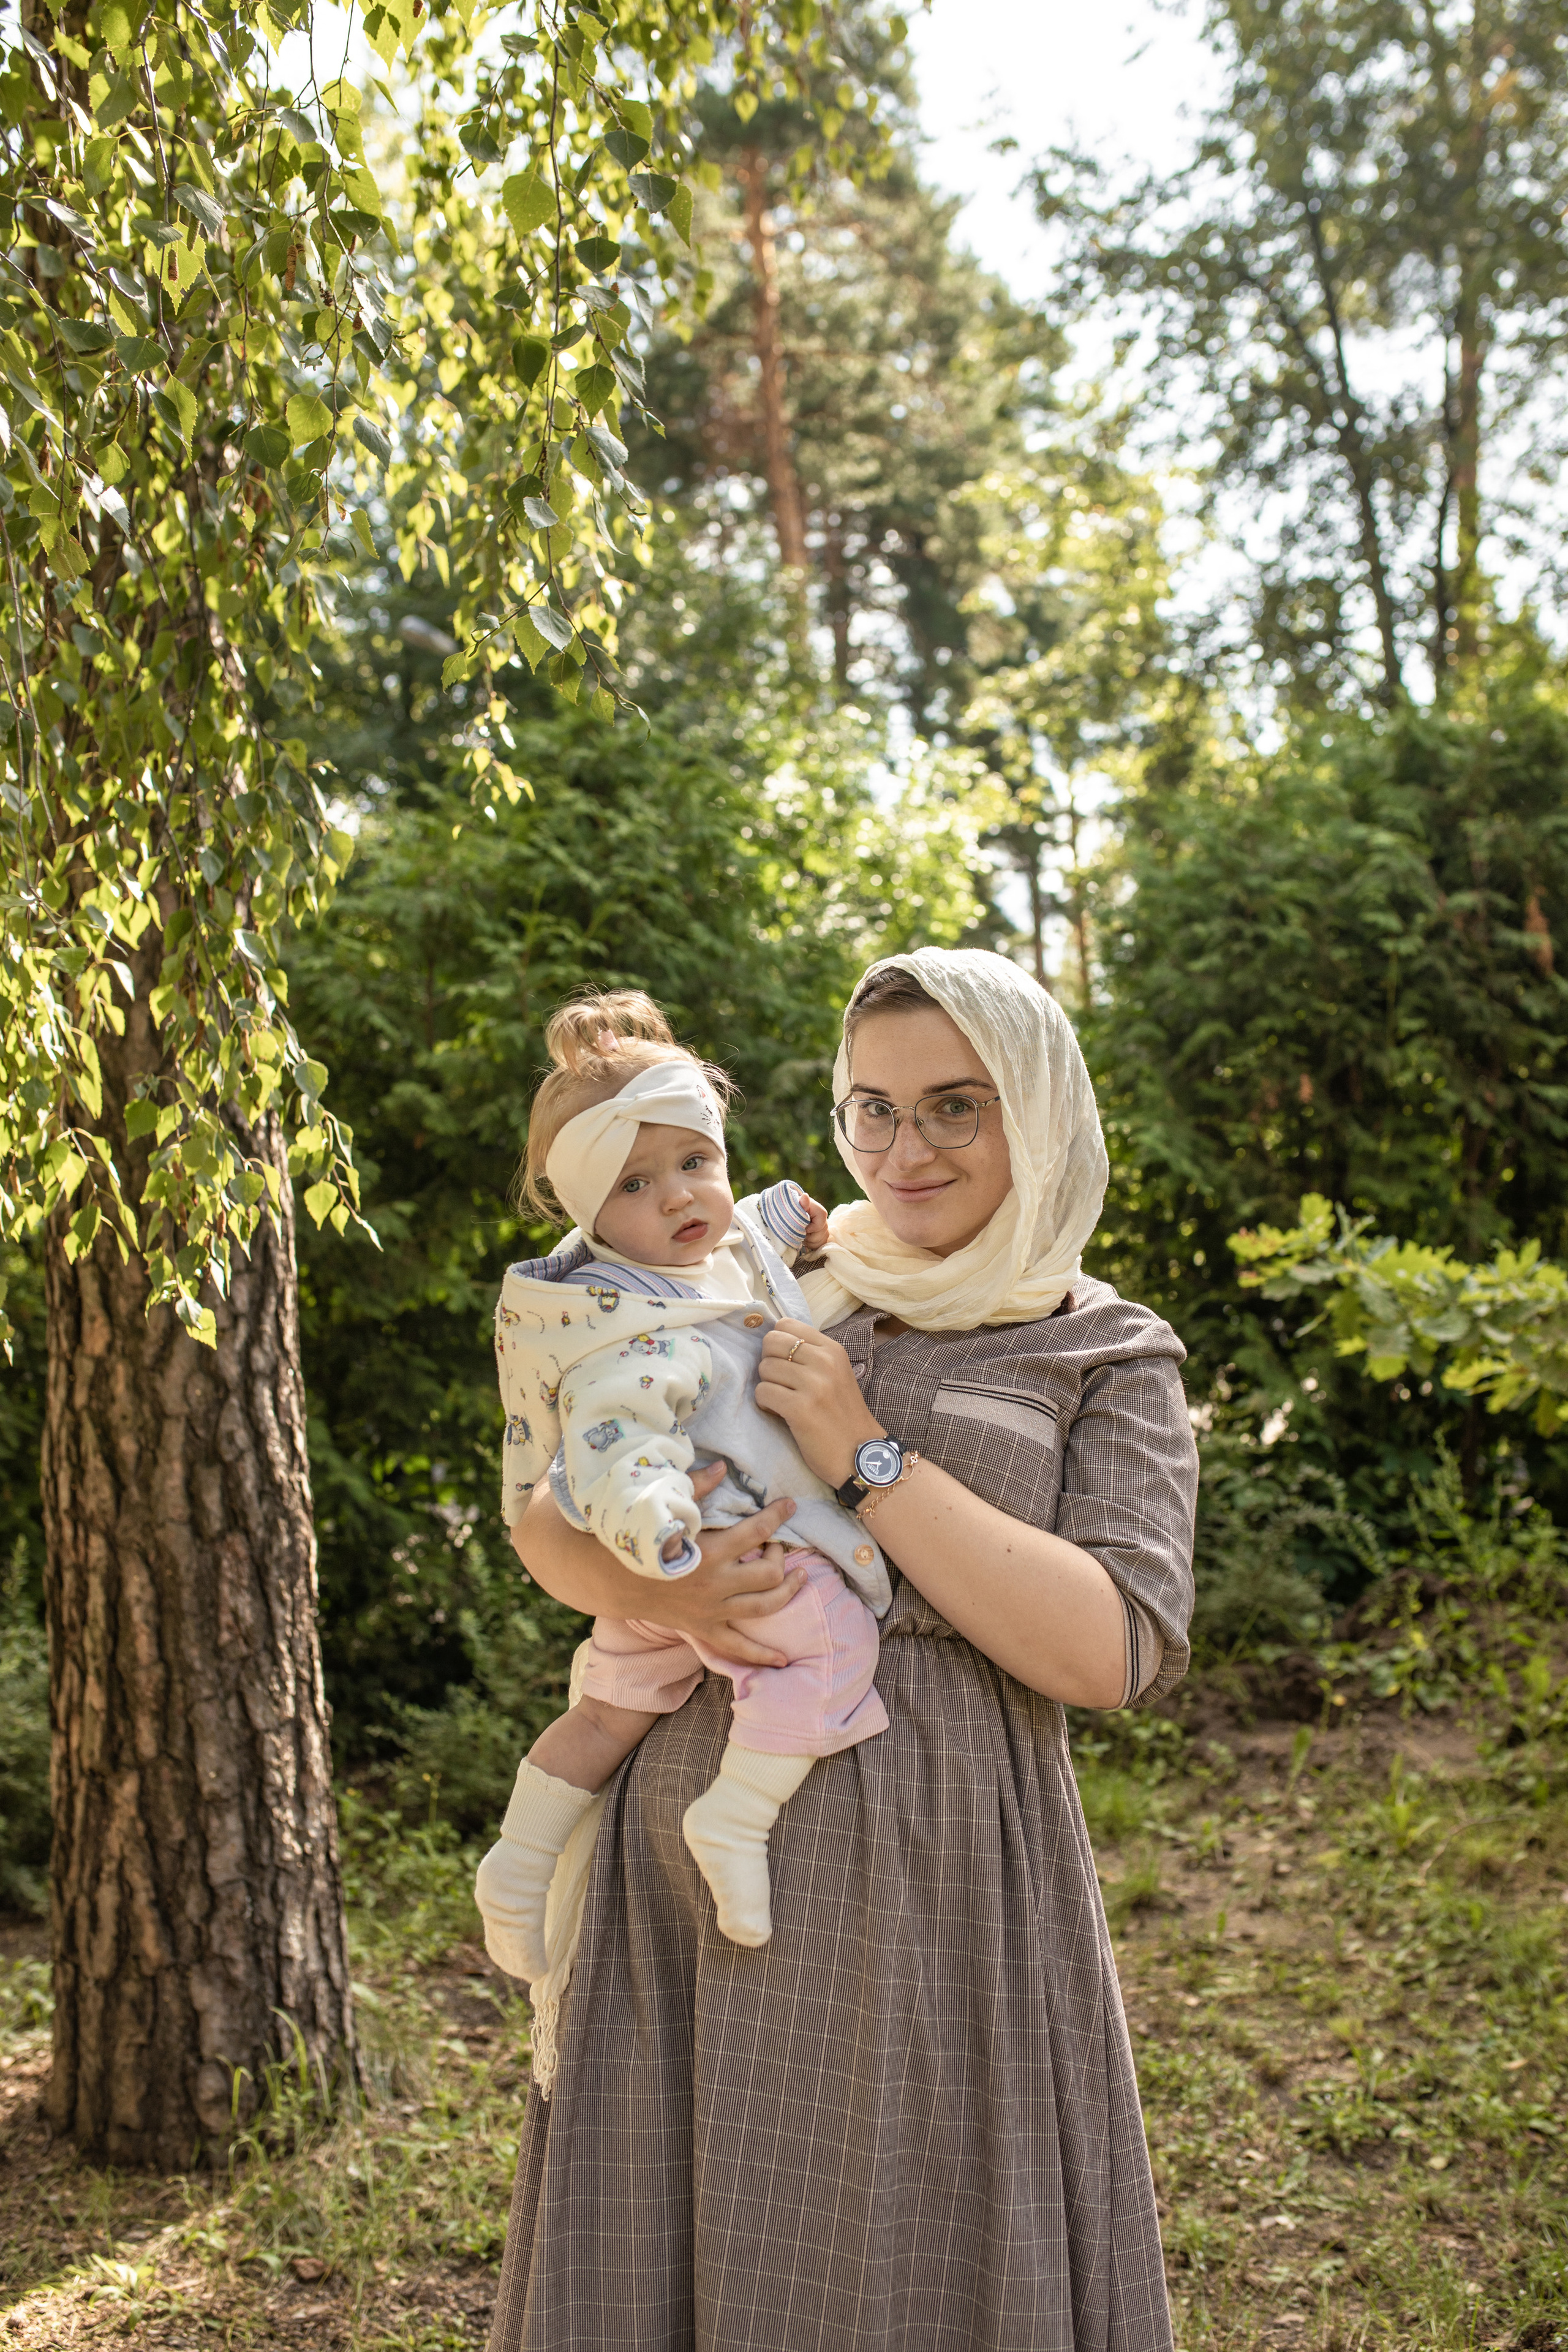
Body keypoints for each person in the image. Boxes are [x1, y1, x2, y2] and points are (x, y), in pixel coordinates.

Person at [487, 947, 1198, 2352]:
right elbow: (544, 1522)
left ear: (1036, 1108)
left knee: (898, 2264)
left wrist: (866, 1456)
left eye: (954, 1106)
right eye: (872, 1108)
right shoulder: (761, 1270)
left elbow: (1111, 1651)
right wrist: (679, 1595)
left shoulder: (1102, 1349)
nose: (902, 1148)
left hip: (940, 1889)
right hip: (677, 1876)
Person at [474, 990, 891, 2032]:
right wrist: (660, 1531)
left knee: (608, 1712)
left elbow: (747, 1231)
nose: (679, 1198)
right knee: (834, 1641)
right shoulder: (628, 1334)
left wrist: (797, 1220)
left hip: (654, 1581)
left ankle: (518, 1860)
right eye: (635, 1184)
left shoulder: (699, 1248)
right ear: (590, 1213)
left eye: (697, 1162)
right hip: (709, 1552)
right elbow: (620, 1447)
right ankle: (737, 1817)